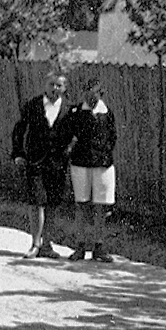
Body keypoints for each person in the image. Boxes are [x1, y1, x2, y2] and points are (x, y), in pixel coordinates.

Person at [11, 73, 71, 258]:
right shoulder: (33, 105)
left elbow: (73, 135)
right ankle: (35, 244)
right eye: (52, 84)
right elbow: (19, 130)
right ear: (45, 85)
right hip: (35, 161)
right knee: (37, 201)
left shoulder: (69, 109)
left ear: (64, 88)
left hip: (57, 164)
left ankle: (47, 245)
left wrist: (68, 152)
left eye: (59, 85)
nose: (55, 88)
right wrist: (18, 154)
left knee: (52, 203)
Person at [60, 78, 117, 263]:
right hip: (80, 165)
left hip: (102, 165)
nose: (91, 97)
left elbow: (112, 138)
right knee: (81, 205)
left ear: (101, 94)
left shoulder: (107, 114)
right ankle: (80, 246)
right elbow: (67, 136)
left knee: (101, 206)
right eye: (88, 93)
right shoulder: (76, 113)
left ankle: (99, 247)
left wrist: (103, 154)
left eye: (95, 93)